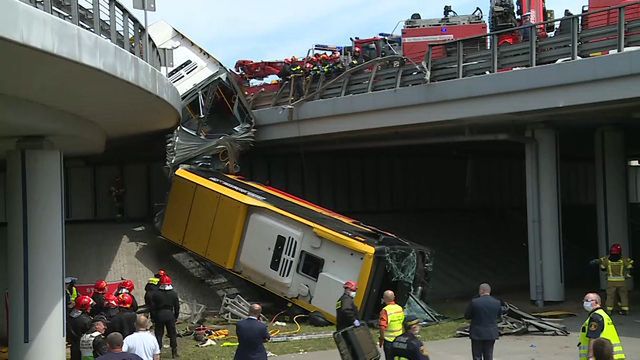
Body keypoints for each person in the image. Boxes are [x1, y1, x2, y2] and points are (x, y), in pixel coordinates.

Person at [578, 292, 625, 360]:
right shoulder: (603, 315)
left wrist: (591, 356)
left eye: (587, 301)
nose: (585, 303)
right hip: (612, 355)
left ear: (596, 302)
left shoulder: (595, 317)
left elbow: (593, 337)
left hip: (603, 356)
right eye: (584, 301)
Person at [592, 243, 634, 314]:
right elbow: (630, 266)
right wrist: (627, 273)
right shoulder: (623, 260)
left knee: (610, 296)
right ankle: (625, 310)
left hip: (611, 282)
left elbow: (602, 268)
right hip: (622, 281)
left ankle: (609, 310)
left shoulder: (607, 260)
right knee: (623, 296)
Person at [464, 283, 503, 360]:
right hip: (491, 332)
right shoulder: (497, 302)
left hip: (477, 332)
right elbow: (498, 316)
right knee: (489, 355)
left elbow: (467, 316)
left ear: (481, 290)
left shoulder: (474, 302)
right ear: (489, 291)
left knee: (477, 356)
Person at [151, 275, 180, 358]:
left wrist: (153, 317)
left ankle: (158, 352)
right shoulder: (173, 294)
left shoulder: (156, 294)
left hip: (159, 315)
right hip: (170, 314)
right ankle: (174, 352)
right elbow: (177, 307)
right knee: (172, 334)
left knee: (159, 334)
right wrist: (175, 316)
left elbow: (152, 307)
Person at [379, 290, 405, 360]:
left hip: (389, 341)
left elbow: (382, 327)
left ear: (384, 298)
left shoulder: (385, 310)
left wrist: (381, 338)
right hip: (399, 339)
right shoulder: (400, 308)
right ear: (394, 297)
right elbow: (403, 322)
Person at [68, 295, 94, 360]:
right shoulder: (86, 320)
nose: (90, 308)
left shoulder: (70, 316)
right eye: (89, 306)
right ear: (85, 307)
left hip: (74, 347)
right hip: (84, 347)